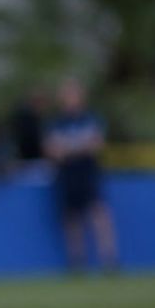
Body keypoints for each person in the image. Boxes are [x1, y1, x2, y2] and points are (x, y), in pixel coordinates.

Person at [43, 79, 119, 273]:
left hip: (87, 172)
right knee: (71, 217)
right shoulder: (56, 122)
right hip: (67, 174)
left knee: (98, 213)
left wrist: (69, 148)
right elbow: (53, 150)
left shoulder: (91, 118)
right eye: (67, 96)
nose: (70, 100)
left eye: (74, 95)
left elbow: (95, 145)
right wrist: (78, 147)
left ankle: (109, 260)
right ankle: (77, 262)